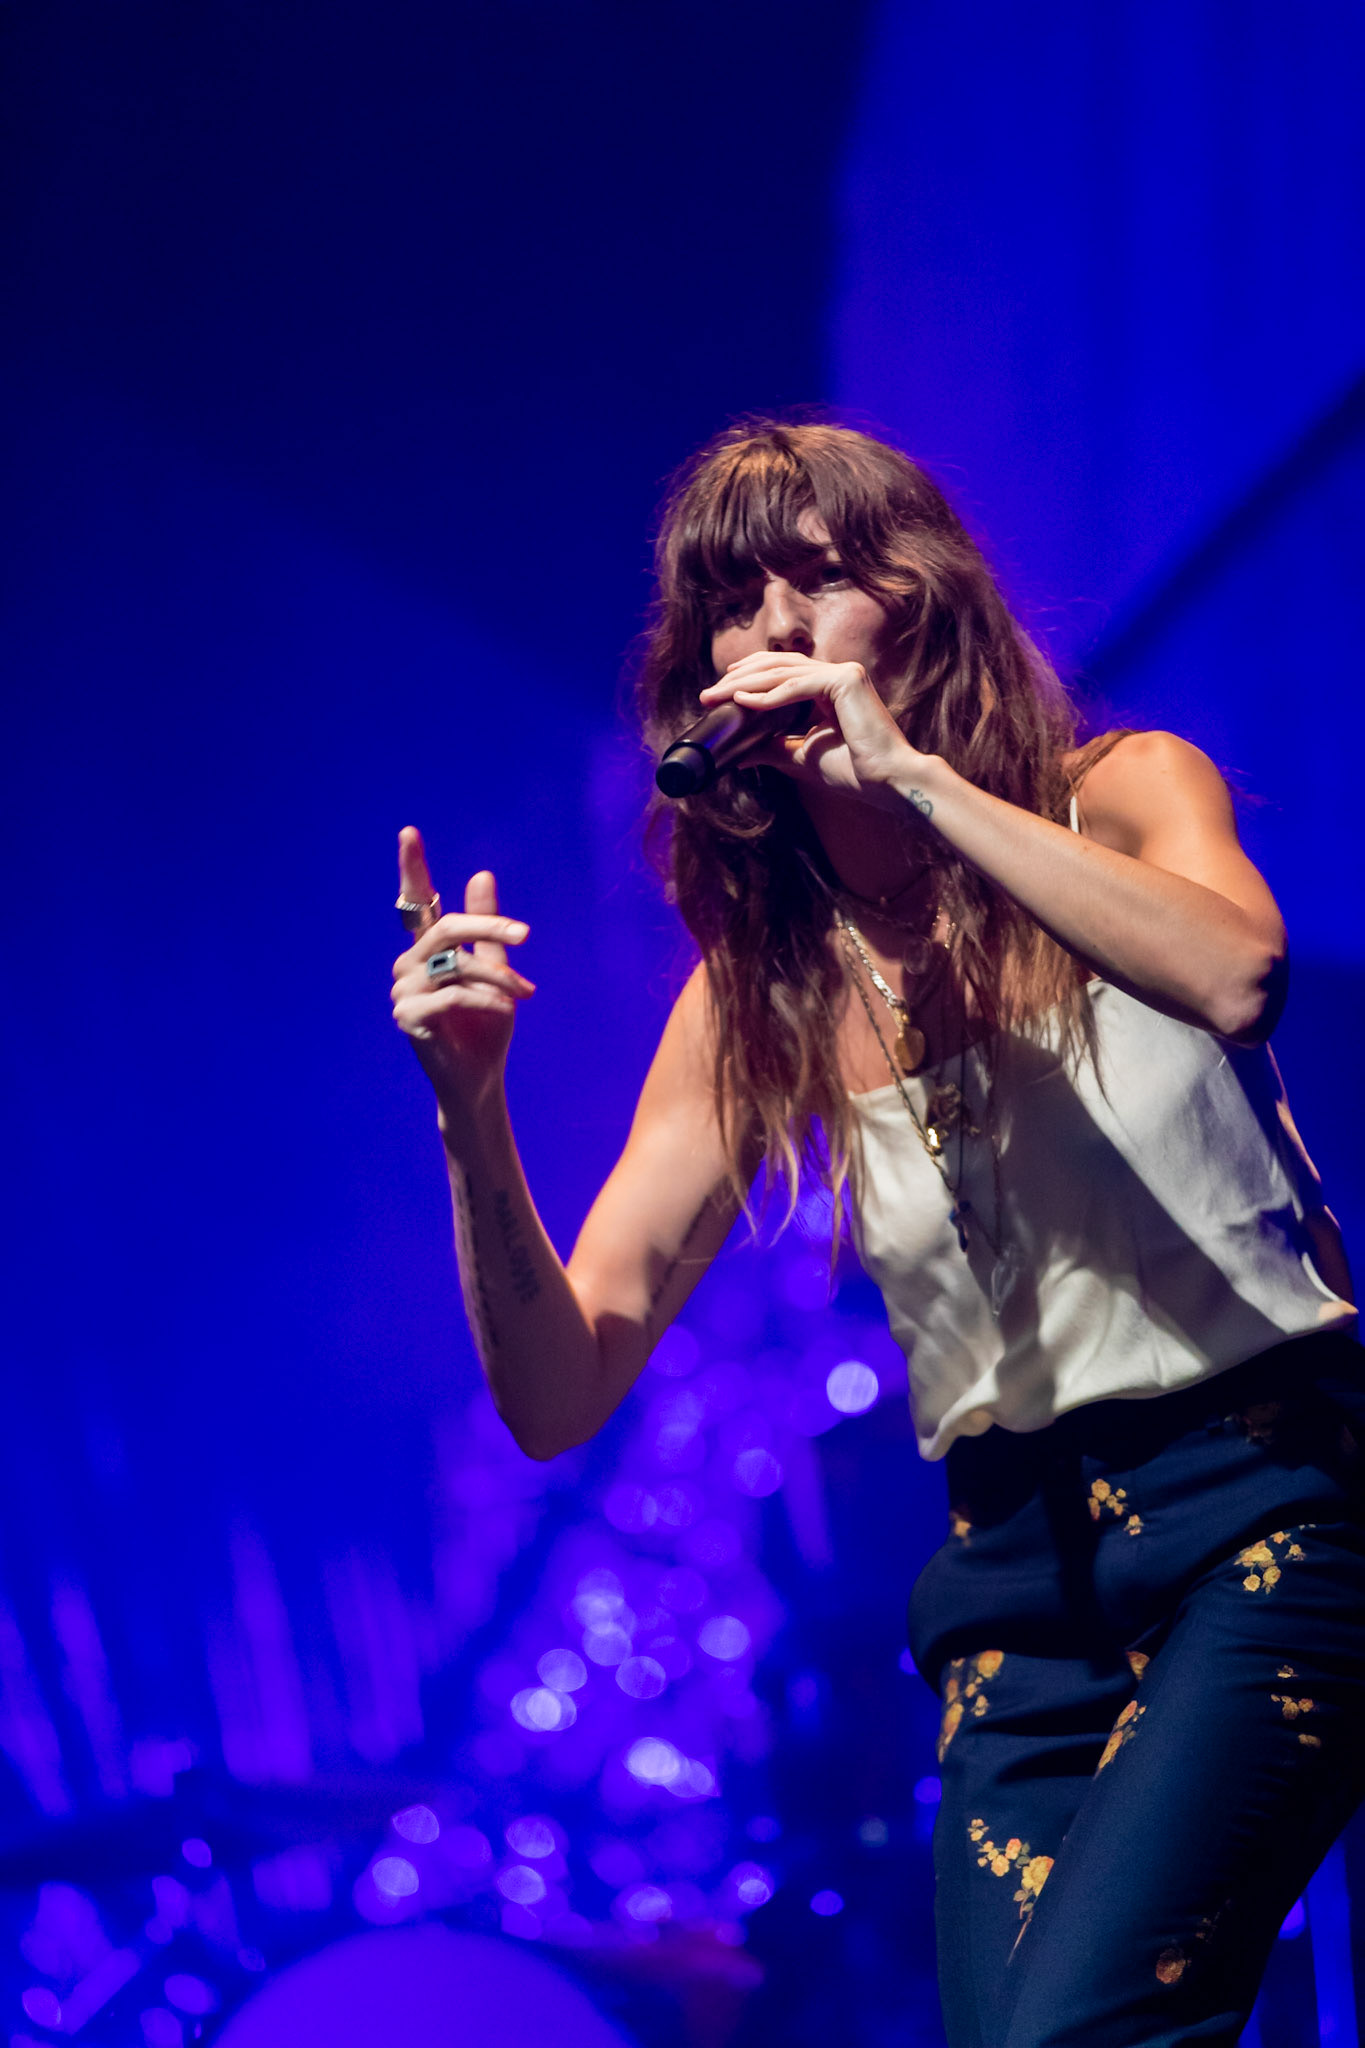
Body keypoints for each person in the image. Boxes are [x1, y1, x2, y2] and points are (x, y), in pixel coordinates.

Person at [389, 421, 1363, 2048]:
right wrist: (467, 1104)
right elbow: (559, 1391)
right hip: (1016, 1588)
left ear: (912, 608)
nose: (772, 626)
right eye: (730, 600)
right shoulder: (749, 1003)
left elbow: (1232, 976)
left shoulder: (1119, 796)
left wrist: (909, 779)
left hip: (1262, 1510)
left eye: (817, 579)